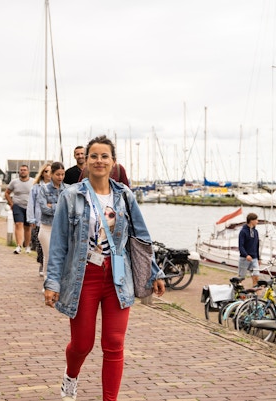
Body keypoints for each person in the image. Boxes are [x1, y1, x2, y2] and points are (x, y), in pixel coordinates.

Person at [43, 135, 165, 401]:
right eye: (94, 156)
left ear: (113, 162)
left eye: (104, 156)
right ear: (86, 161)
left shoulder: (124, 196)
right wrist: (52, 282)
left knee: (114, 344)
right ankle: (71, 376)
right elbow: (59, 242)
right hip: (83, 276)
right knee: (82, 344)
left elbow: (140, 237)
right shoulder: (71, 195)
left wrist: (155, 272)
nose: (99, 161)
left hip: (117, 278)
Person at [36, 162, 66, 277]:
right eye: (58, 174)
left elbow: (69, 209)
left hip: (62, 227)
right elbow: (44, 209)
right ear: (52, 174)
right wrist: (59, 207)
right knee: (49, 255)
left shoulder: (67, 189)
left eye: (62, 174)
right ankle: (47, 282)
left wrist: (52, 206)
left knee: (61, 256)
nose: (60, 177)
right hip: (47, 227)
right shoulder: (43, 189)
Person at [27, 162, 53, 274]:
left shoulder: (56, 187)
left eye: (51, 171)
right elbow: (31, 203)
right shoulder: (36, 188)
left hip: (52, 220)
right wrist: (31, 219)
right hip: (39, 219)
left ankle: (49, 266)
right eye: (46, 171)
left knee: (51, 245)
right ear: (42, 173)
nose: (48, 174)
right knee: (40, 245)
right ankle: (42, 264)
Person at [5, 164, 33, 254]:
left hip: (29, 207)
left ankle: (27, 246)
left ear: (28, 171)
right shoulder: (14, 182)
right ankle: (18, 246)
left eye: (25, 170)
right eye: (21, 170)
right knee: (18, 224)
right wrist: (11, 203)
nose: (23, 171)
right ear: (19, 172)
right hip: (17, 205)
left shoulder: (33, 182)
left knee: (27, 227)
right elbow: (7, 193)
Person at [238, 212, 260, 287]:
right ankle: (238, 293)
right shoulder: (243, 232)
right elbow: (241, 246)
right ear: (251, 221)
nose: (257, 222)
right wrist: (246, 255)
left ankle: (255, 295)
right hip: (244, 258)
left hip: (254, 258)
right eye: (256, 220)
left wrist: (258, 258)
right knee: (241, 278)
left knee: (256, 276)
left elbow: (257, 246)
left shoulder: (256, 232)